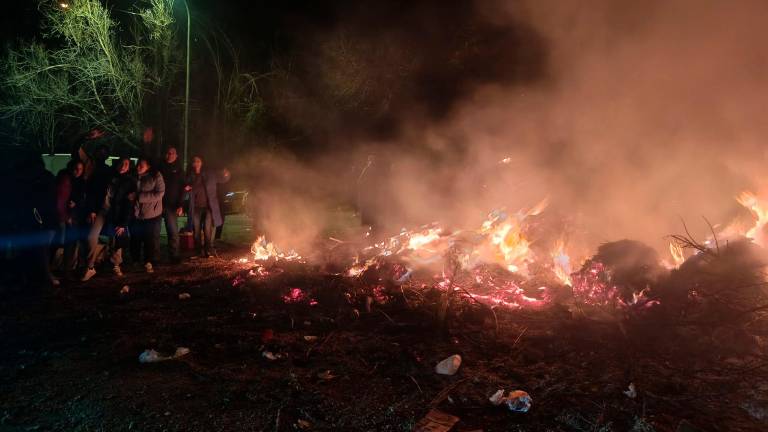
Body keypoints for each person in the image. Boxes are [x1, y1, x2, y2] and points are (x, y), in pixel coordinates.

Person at [185, 156, 230, 258]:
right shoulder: (190, 176)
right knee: (196, 230)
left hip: (208, 207)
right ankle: (197, 251)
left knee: (207, 229)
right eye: (194, 162)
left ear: (202, 163)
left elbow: (222, 178)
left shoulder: (209, 174)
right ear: (192, 164)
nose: (196, 163)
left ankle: (207, 250)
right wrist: (187, 188)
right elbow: (185, 186)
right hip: (196, 207)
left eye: (198, 161)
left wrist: (226, 175)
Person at [81, 144, 112, 280]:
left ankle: (114, 264)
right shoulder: (91, 166)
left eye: (104, 152)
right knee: (91, 236)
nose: (101, 154)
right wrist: (92, 209)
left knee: (116, 236)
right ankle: (90, 266)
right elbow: (91, 191)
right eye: (99, 151)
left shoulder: (109, 170)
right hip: (98, 209)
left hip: (109, 209)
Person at [102, 156, 136, 277]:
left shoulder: (130, 182)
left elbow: (129, 204)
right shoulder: (110, 177)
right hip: (106, 213)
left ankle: (116, 265)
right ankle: (108, 262)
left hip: (118, 216)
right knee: (110, 239)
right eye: (121, 163)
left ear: (129, 166)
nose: (123, 166)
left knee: (118, 239)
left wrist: (123, 223)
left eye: (126, 164)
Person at [130, 157, 164, 273]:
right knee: (135, 238)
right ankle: (135, 261)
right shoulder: (133, 176)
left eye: (142, 165)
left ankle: (148, 261)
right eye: (138, 164)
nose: (138, 167)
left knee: (149, 239)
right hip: (135, 214)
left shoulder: (156, 175)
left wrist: (139, 197)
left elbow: (160, 193)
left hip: (152, 213)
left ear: (148, 166)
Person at [56, 160, 86, 276]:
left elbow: (83, 199)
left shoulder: (81, 182)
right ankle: (65, 267)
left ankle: (71, 267)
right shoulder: (66, 179)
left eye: (80, 169)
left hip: (76, 215)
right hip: (67, 215)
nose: (77, 171)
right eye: (76, 168)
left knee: (74, 241)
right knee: (67, 241)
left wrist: (76, 203)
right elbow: (61, 197)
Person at [159, 147, 184, 263]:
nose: (170, 155)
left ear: (176, 155)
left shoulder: (179, 170)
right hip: (157, 204)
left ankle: (174, 256)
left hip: (172, 205)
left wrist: (180, 205)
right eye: (168, 153)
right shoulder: (160, 167)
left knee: (173, 231)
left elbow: (182, 188)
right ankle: (153, 257)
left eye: (172, 153)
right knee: (154, 232)